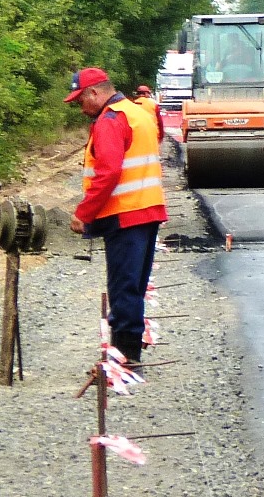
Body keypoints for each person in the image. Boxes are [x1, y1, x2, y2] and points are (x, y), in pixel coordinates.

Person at [67, 67, 167, 366]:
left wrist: (84, 213)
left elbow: (108, 172)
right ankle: (130, 351)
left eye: (80, 101)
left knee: (123, 287)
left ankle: (124, 358)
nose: (80, 108)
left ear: (95, 93)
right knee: (134, 285)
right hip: (147, 211)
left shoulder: (111, 121)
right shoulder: (137, 113)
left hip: (125, 214)